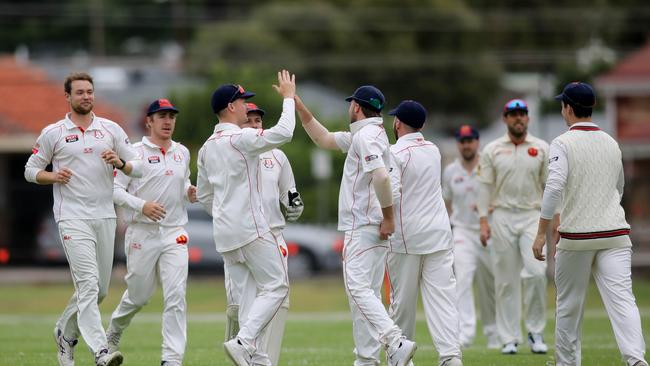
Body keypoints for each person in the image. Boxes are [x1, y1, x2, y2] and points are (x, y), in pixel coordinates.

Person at [24, 72, 142, 366]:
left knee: (99, 291)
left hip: (105, 216)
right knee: (88, 285)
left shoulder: (110, 129)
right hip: (72, 217)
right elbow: (30, 169)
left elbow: (138, 168)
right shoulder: (54, 132)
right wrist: (52, 175)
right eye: (80, 92)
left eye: (90, 91)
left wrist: (121, 163)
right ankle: (101, 352)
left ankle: (64, 332)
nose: (86, 96)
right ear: (68, 97)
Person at [294, 86, 417, 366]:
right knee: (367, 295)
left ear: (357, 107)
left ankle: (395, 341)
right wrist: (298, 103)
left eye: (351, 104)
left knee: (357, 290)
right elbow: (323, 139)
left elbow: (382, 178)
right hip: (371, 228)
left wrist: (388, 218)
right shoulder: (368, 134)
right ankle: (366, 359)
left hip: (365, 226)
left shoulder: (367, 137)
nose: (349, 108)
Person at [532, 82, 648, 366]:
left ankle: (567, 363)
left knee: (569, 305)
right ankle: (636, 360)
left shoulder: (562, 143)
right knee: (623, 302)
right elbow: (618, 188)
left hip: (577, 236)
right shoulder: (611, 142)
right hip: (615, 234)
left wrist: (540, 234)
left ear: (568, 108)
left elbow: (554, 187)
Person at [196, 70, 296, 366]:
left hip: (225, 235)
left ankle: (258, 358)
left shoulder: (205, 148)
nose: (246, 107)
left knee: (248, 301)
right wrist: (288, 98)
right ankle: (244, 341)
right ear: (230, 107)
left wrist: (226, 213)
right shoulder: (242, 137)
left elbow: (203, 196)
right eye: (242, 102)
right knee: (278, 286)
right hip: (252, 229)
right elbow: (285, 133)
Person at [105, 99, 197, 366]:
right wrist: (141, 205)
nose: (168, 121)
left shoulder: (182, 152)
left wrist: (189, 192)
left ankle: (171, 359)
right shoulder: (134, 153)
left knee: (176, 295)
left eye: (171, 116)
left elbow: (183, 181)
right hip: (142, 233)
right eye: (162, 116)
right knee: (139, 296)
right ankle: (114, 332)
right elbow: (115, 191)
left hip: (175, 232)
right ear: (149, 121)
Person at [223, 102, 305, 366]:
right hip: (242, 237)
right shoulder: (231, 152)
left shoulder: (277, 156)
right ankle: (245, 351)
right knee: (240, 306)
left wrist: (295, 203)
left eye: (259, 121)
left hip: (272, 234)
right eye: (250, 121)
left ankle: (263, 359)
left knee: (278, 301)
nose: (256, 125)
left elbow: (289, 191)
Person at [386, 100, 462, 366]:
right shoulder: (434, 149)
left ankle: (401, 359)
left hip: (407, 237)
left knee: (402, 304)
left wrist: (380, 219)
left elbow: (392, 192)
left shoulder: (394, 152)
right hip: (440, 235)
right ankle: (451, 357)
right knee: (443, 300)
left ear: (397, 123)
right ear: (423, 125)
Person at [476, 99, 550, 355]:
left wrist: (555, 219)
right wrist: (483, 220)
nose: (518, 118)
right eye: (513, 114)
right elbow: (484, 186)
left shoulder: (541, 148)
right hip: (502, 216)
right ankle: (509, 337)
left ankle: (535, 331)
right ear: (505, 118)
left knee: (537, 273)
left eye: (522, 114)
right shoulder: (493, 149)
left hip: (532, 214)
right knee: (506, 280)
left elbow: (550, 188)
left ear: (528, 119)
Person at [441, 125, 498, 349]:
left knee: (489, 284)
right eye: (462, 141)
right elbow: (446, 202)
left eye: (470, 140)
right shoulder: (450, 171)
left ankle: (493, 333)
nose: (466, 145)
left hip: (488, 231)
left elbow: (500, 196)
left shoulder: (489, 165)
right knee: (462, 280)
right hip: (462, 230)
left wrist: (487, 208)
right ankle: (465, 332)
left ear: (477, 142)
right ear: (458, 144)